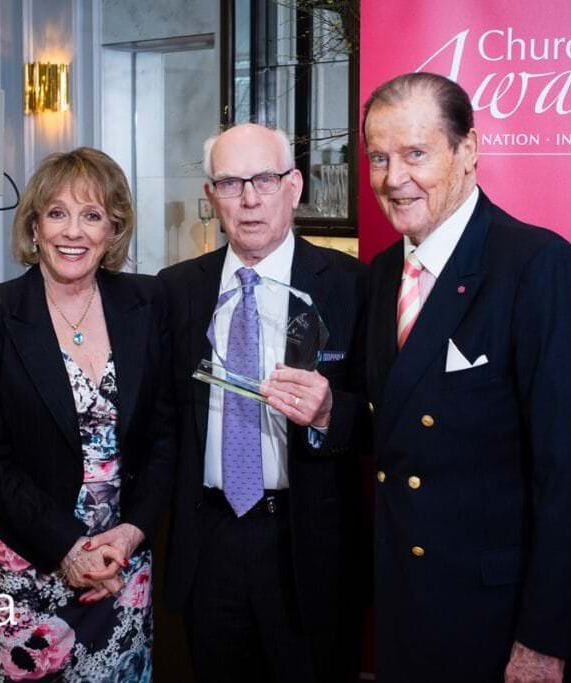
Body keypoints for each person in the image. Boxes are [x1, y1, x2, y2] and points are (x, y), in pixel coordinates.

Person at [361, 72, 571, 682]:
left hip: (503, 623)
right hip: (409, 610)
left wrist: (544, 641)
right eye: (379, 157)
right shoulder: (379, 277)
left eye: (416, 154)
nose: (393, 178)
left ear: (469, 150)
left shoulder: (540, 267)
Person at [0, 147, 174, 682]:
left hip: (124, 566)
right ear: (34, 226)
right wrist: (69, 548)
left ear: (113, 229)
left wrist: (128, 537)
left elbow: (167, 435)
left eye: (92, 215)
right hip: (35, 564)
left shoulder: (147, 302)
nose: (73, 231)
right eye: (57, 213)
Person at [157, 123, 366, 683]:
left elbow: (384, 419)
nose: (248, 199)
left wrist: (328, 414)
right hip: (209, 543)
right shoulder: (175, 291)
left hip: (306, 546)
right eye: (230, 183)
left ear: (294, 187)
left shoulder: (351, 285)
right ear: (211, 197)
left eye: (264, 180)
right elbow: (160, 424)